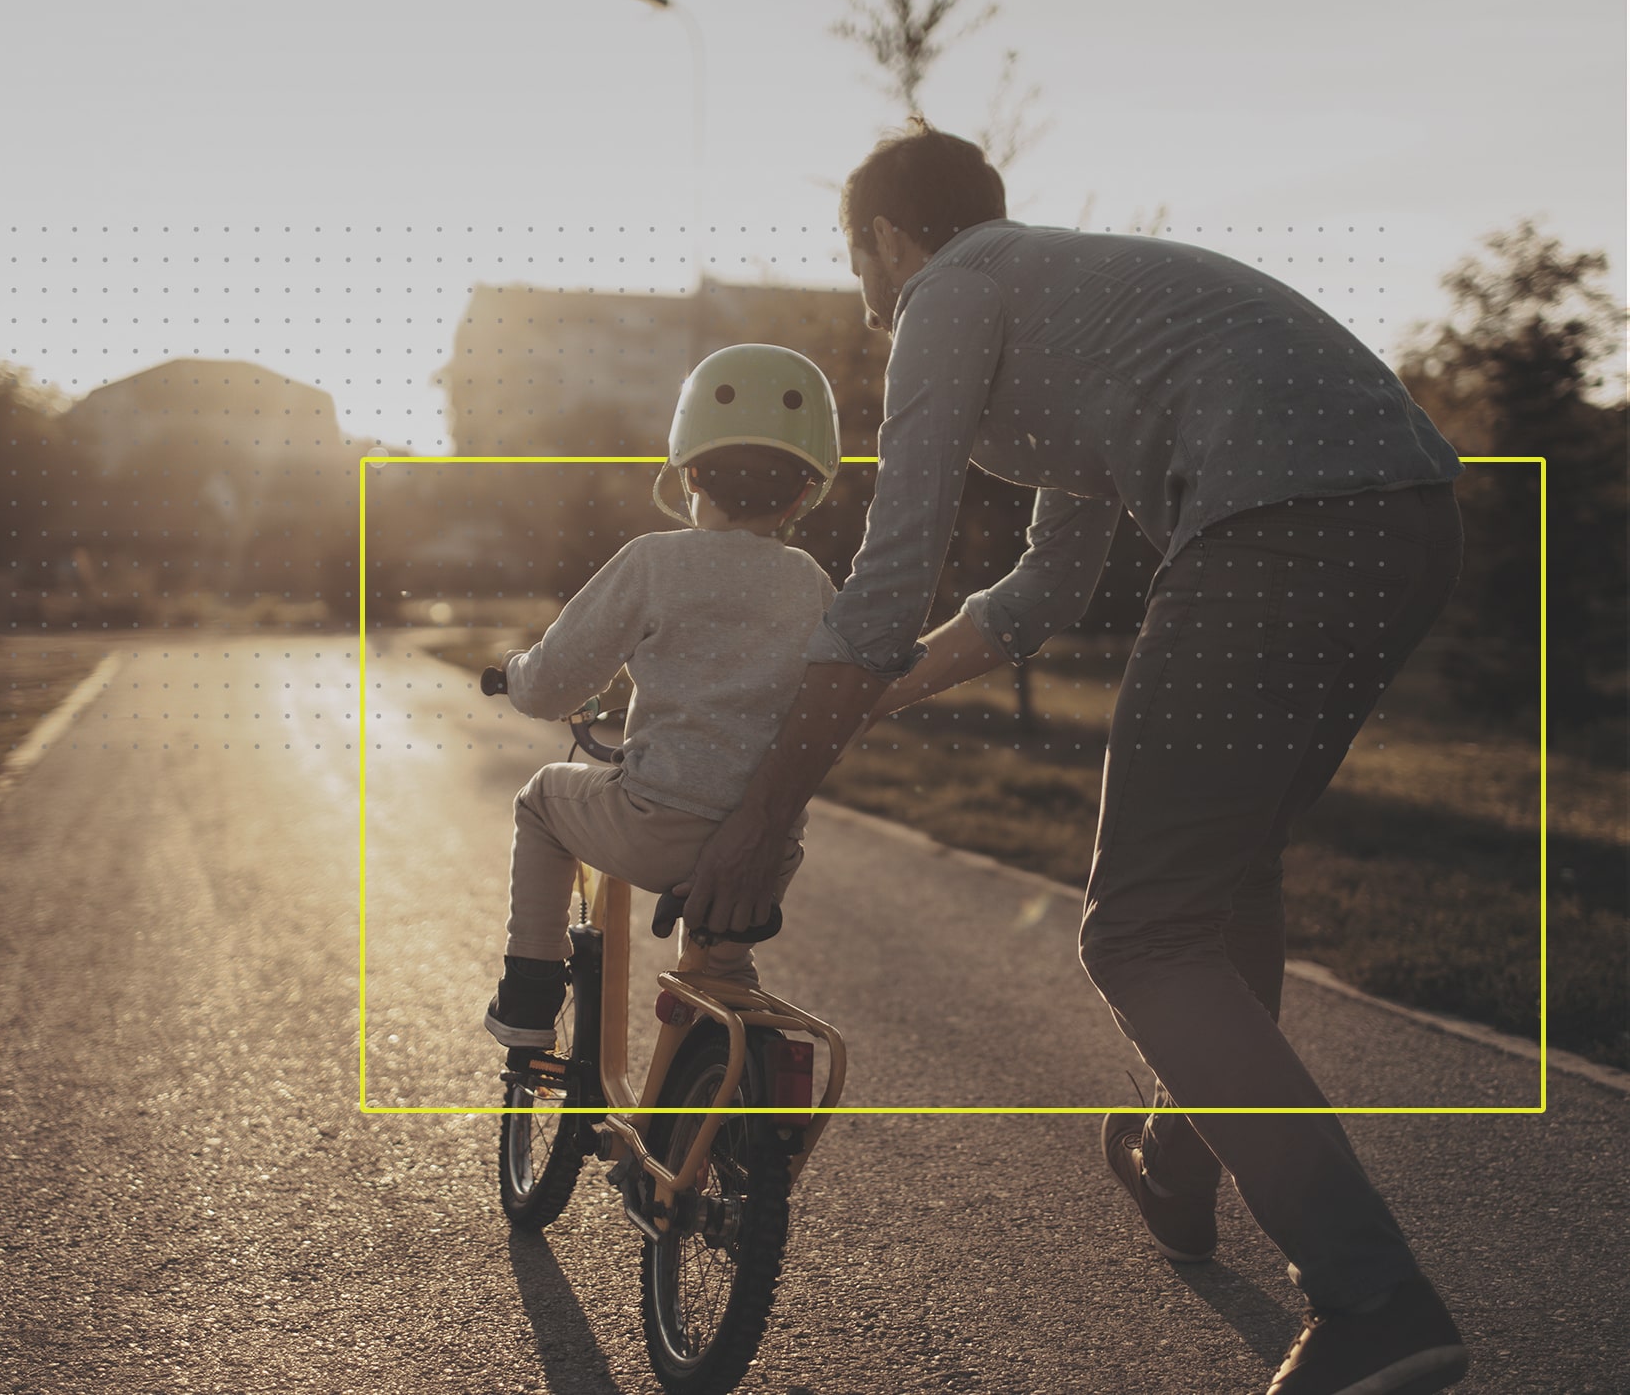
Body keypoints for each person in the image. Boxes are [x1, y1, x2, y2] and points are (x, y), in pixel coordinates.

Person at [677, 122, 1469, 1395]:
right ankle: (1178, 1152)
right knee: (1222, 882)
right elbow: (1042, 586)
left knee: (1137, 933)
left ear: (887, 239)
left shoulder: (952, 290)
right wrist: (870, 704)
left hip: (1271, 530)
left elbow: (888, 573)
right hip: (1406, 518)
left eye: (855, 262)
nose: (866, 300)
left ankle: (1371, 1296)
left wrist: (767, 811)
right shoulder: (1071, 307)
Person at [483, 344, 842, 1052]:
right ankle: (724, 1083)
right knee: (722, 968)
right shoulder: (812, 582)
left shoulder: (656, 561)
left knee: (543, 800)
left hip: (657, 829)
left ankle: (528, 992)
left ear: (689, 471)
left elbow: (556, 681)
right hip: (767, 852)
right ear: (806, 490)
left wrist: (517, 675)